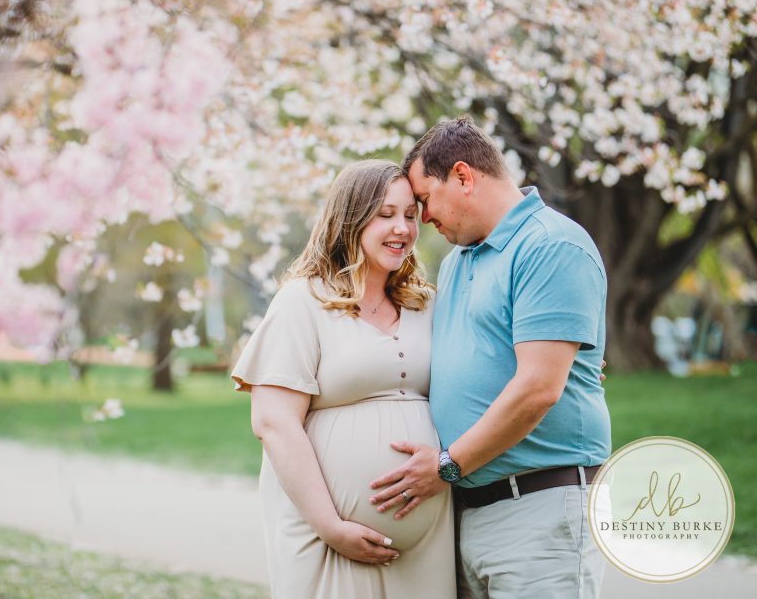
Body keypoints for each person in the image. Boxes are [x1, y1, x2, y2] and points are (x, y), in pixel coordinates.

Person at [368, 117, 610, 598]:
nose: (422, 218)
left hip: (539, 510)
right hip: (467, 514)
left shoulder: (550, 245)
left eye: (425, 199)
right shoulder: (459, 261)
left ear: (463, 176)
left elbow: (540, 387)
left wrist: (447, 466)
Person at [232, 160, 456, 598]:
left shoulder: (426, 305)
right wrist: (331, 526)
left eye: (411, 215)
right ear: (350, 219)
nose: (403, 229)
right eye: (385, 214)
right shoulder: (304, 301)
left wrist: (564, 367)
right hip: (325, 542)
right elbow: (274, 423)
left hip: (427, 545)